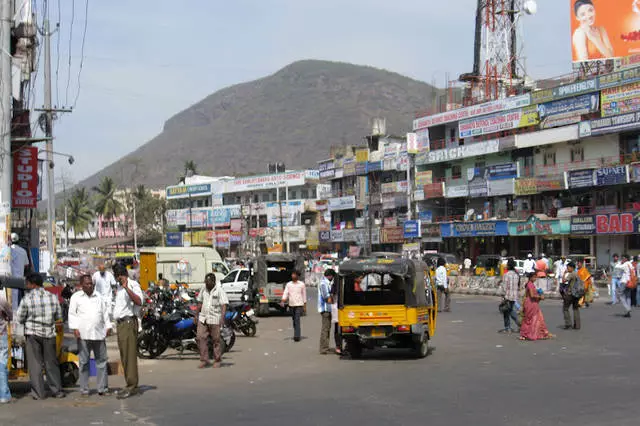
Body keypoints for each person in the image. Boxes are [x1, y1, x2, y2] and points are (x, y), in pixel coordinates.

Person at [16, 273, 65, 400]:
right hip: (49, 334)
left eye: (27, 283)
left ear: (32, 284)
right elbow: (58, 316)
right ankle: (57, 391)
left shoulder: (27, 299)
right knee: (51, 363)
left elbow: (20, 318)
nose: (26, 286)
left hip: (32, 335)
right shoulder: (53, 297)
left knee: (35, 365)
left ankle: (39, 393)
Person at [68, 275, 112, 397]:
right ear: (81, 285)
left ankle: (102, 388)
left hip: (99, 333)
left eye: (91, 283)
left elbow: (105, 314)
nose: (89, 286)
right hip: (83, 334)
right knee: (83, 362)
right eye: (87, 284)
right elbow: (72, 314)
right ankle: (84, 389)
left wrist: (108, 326)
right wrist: (75, 328)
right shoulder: (76, 297)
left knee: (102, 361)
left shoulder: (99, 297)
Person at [112, 264, 143, 399]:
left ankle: (132, 386)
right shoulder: (118, 287)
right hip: (120, 324)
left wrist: (126, 288)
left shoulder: (132, 284)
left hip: (129, 323)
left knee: (130, 355)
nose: (117, 279)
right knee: (124, 355)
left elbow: (139, 301)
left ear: (122, 275)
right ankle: (129, 383)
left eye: (118, 276)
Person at [195, 273, 228, 369]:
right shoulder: (203, 289)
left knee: (216, 340)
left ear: (213, 282)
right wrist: (196, 315)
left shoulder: (219, 291)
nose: (206, 284)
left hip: (214, 318)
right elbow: (200, 302)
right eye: (205, 282)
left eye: (208, 282)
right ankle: (204, 360)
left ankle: (217, 360)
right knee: (200, 337)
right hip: (203, 318)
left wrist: (222, 317)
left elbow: (223, 305)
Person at [519, 273, 552, 341]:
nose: (535, 279)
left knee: (529, 319)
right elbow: (532, 295)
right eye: (534, 277)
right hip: (531, 303)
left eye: (536, 277)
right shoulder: (530, 284)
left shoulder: (529, 284)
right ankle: (529, 334)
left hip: (530, 303)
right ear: (530, 278)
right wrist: (540, 297)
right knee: (532, 319)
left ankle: (525, 334)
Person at [281, 271, 307, 342]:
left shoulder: (301, 284)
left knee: (297, 319)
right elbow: (286, 293)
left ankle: (297, 336)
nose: (293, 275)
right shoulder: (289, 284)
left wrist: (305, 305)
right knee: (294, 320)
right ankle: (296, 332)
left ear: (297, 276)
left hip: (299, 304)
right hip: (291, 304)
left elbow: (304, 295)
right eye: (292, 274)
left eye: (294, 274)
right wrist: (283, 300)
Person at [499, 259, 520, 333]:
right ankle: (510, 326)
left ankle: (509, 326)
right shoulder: (516, 275)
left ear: (508, 266)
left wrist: (502, 296)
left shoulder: (506, 275)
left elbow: (504, 287)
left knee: (507, 311)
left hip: (507, 296)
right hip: (514, 296)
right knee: (509, 310)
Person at [318, 269, 335, 354]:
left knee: (328, 329)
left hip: (329, 309)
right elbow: (326, 296)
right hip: (325, 309)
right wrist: (333, 299)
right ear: (330, 275)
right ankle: (323, 348)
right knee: (325, 329)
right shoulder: (323, 283)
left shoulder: (328, 283)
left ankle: (326, 347)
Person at [560, 262, 581, 330]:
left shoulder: (571, 274)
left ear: (572, 267)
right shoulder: (577, 273)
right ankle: (577, 325)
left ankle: (568, 324)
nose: (567, 269)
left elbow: (563, 281)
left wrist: (564, 273)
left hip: (570, 293)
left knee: (565, 308)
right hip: (577, 294)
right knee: (575, 309)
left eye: (568, 267)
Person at [0, 293, 12, 403]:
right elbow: (10, 314)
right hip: (1, 335)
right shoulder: (1, 298)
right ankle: (3, 395)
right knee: (2, 364)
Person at [330, 276, 341, 355]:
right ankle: (339, 346)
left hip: (336, 311)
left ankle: (338, 347)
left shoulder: (333, 287)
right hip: (343, 310)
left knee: (337, 329)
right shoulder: (346, 286)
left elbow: (332, 299)